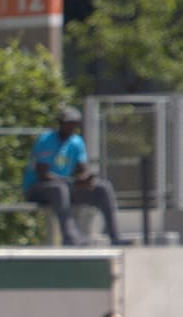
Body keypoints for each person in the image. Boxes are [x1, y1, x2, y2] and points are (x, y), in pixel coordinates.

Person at [23, 106, 126, 247]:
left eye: (75, 123)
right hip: (38, 189)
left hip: (64, 187)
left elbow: (82, 169)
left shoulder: (76, 142)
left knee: (103, 187)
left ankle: (115, 236)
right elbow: (43, 174)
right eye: (68, 123)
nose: (71, 126)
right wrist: (71, 182)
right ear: (60, 123)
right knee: (59, 188)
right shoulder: (46, 140)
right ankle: (70, 236)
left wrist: (86, 179)